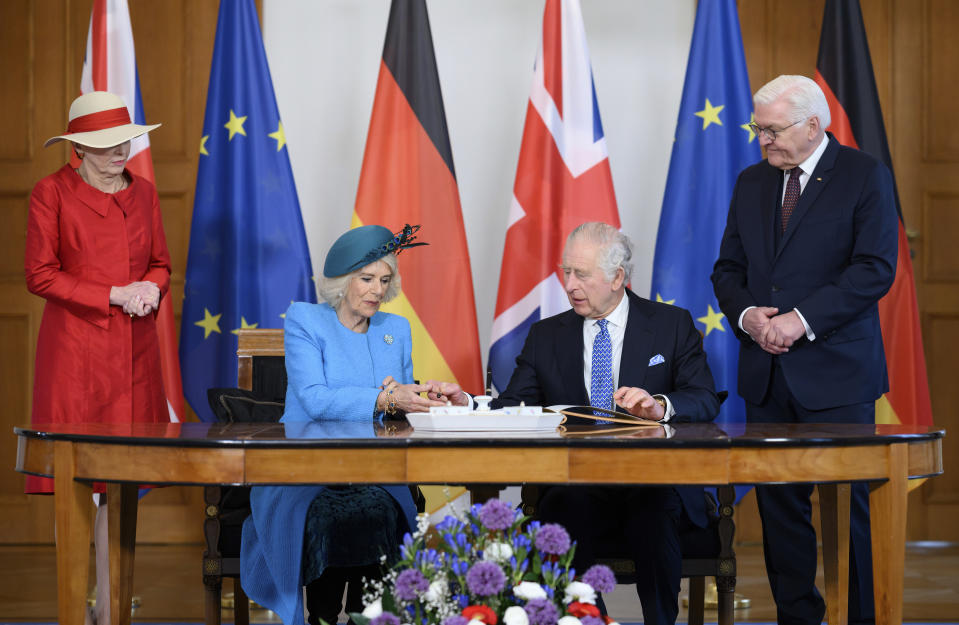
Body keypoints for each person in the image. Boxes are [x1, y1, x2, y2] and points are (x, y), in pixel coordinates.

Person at [711, 74, 899, 625]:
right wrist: (748, 316)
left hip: (839, 373)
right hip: (766, 372)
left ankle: (860, 617)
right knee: (780, 510)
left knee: (851, 509)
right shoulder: (751, 182)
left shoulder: (865, 176)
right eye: (757, 128)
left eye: (772, 129)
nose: (762, 140)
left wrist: (801, 320)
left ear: (813, 125)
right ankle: (798, 617)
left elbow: (874, 270)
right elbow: (729, 269)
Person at [240, 224, 469, 625]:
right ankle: (323, 617)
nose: (377, 290)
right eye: (366, 279)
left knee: (378, 510)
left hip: (375, 470)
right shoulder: (305, 320)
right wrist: (383, 398)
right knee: (329, 516)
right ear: (343, 281)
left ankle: (365, 617)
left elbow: (399, 408)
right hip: (302, 470)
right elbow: (314, 398)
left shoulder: (394, 330)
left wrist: (430, 399)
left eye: (384, 280)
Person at [494, 222, 720, 625]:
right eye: (566, 271)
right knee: (563, 507)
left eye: (581, 274)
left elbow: (704, 398)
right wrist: (470, 404)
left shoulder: (670, 325)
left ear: (618, 277)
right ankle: (588, 621)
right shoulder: (547, 336)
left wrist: (660, 406)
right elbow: (514, 405)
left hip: (650, 479)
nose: (569, 284)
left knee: (654, 507)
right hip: (576, 482)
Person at [24, 91, 170, 624]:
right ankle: (76, 606)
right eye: (107, 144)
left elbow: (160, 264)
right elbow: (39, 273)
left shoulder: (146, 193)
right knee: (78, 478)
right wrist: (115, 293)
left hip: (135, 352)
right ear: (79, 147)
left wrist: (151, 289)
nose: (120, 151)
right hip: (76, 355)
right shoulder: (51, 193)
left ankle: (112, 610)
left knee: (122, 483)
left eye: (125, 140)